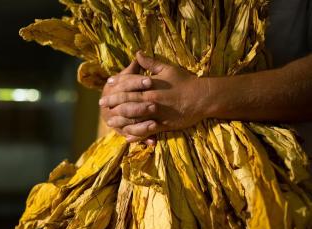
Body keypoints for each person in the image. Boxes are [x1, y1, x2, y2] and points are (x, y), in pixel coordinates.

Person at [99, 0, 312, 160]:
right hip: (139, 166)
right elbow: (113, 67)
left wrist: (203, 96)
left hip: (274, 165)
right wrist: (116, 102)